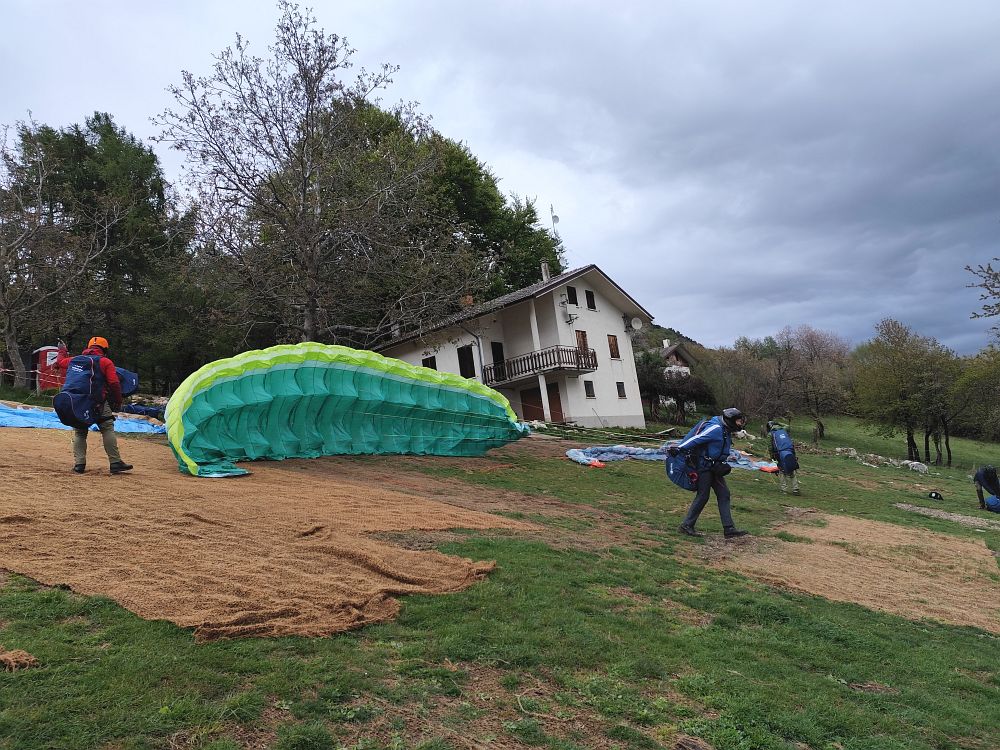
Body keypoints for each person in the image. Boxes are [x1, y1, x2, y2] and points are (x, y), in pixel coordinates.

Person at [53, 336, 133, 475]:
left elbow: (60, 362)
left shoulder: (74, 360)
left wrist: (62, 350)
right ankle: (115, 462)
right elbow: (114, 383)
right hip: (98, 402)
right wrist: (118, 400)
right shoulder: (105, 362)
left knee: (80, 432)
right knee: (107, 428)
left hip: (77, 402)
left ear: (89, 347)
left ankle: (79, 464)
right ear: (105, 349)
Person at [669, 407, 749, 539]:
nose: (740, 423)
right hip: (704, 467)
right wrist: (679, 448)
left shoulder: (726, 429)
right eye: (738, 421)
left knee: (724, 494)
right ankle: (686, 526)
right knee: (703, 496)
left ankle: (729, 529)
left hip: (715, 467)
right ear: (730, 420)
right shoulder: (716, 428)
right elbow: (697, 439)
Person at [767, 420, 800, 495]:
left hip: (779, 453)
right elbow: (788, 426)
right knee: (792, 469)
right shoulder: (783, 429)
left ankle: (784, 490)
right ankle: (796, 489)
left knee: (782, 470)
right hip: (790, 451)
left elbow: (770, 447)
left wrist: (772, 456)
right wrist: (778, 423)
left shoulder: (770, 434)